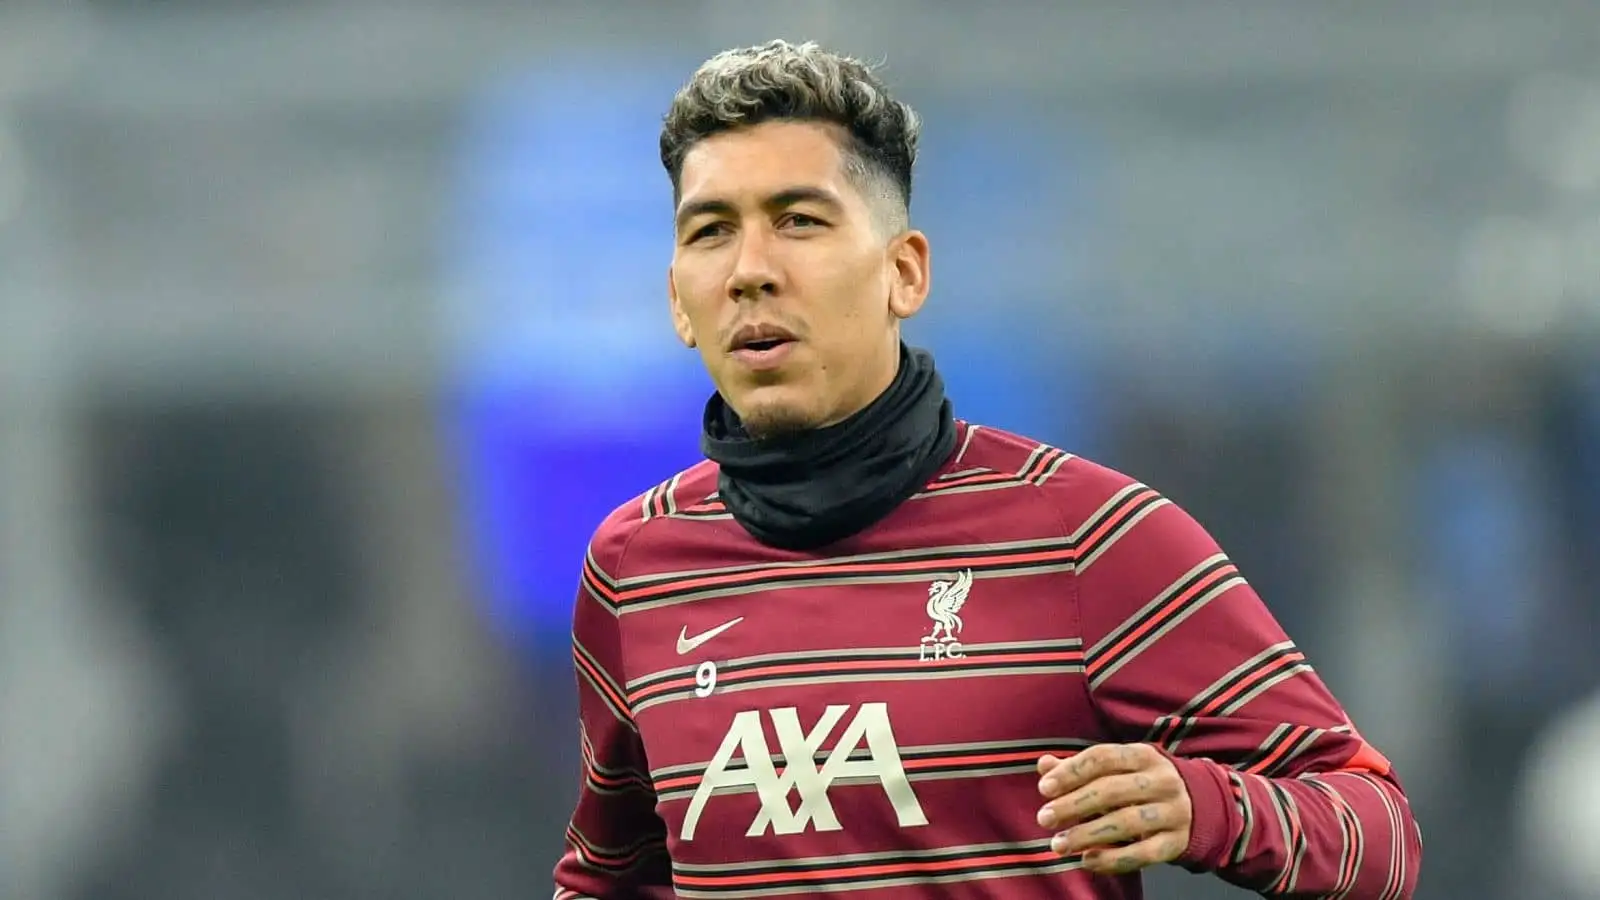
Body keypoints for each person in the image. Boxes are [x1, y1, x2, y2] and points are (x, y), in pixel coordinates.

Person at [552, 39, 1421, 900]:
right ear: (677, 299)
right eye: (711, 232)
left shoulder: (1086, 536)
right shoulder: (635, 569)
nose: (750, 272)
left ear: (904, 271)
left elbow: (1377, 837)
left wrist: (1210, 808)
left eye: (799, 221)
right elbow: (606, 878)